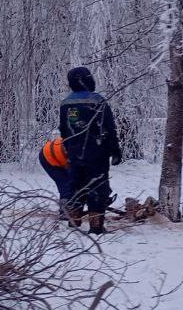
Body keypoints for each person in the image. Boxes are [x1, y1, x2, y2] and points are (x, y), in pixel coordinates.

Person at [59, 66, 123, 235]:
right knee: (97, 185)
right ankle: (96, 226)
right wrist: (115, 150)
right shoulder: (98, 101)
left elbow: (63, 130)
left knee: (75, 184)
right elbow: (109, 127)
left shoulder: (65, 103)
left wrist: (68, 148)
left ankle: (74, 221)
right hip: (96, 152)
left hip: (74, 151)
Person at [38, 135, 73, 220]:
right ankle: (64, 212)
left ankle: (70, 207)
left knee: (71, 182)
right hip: (47, 158)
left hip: (56, 156)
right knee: (66, 185)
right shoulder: (76, 151)